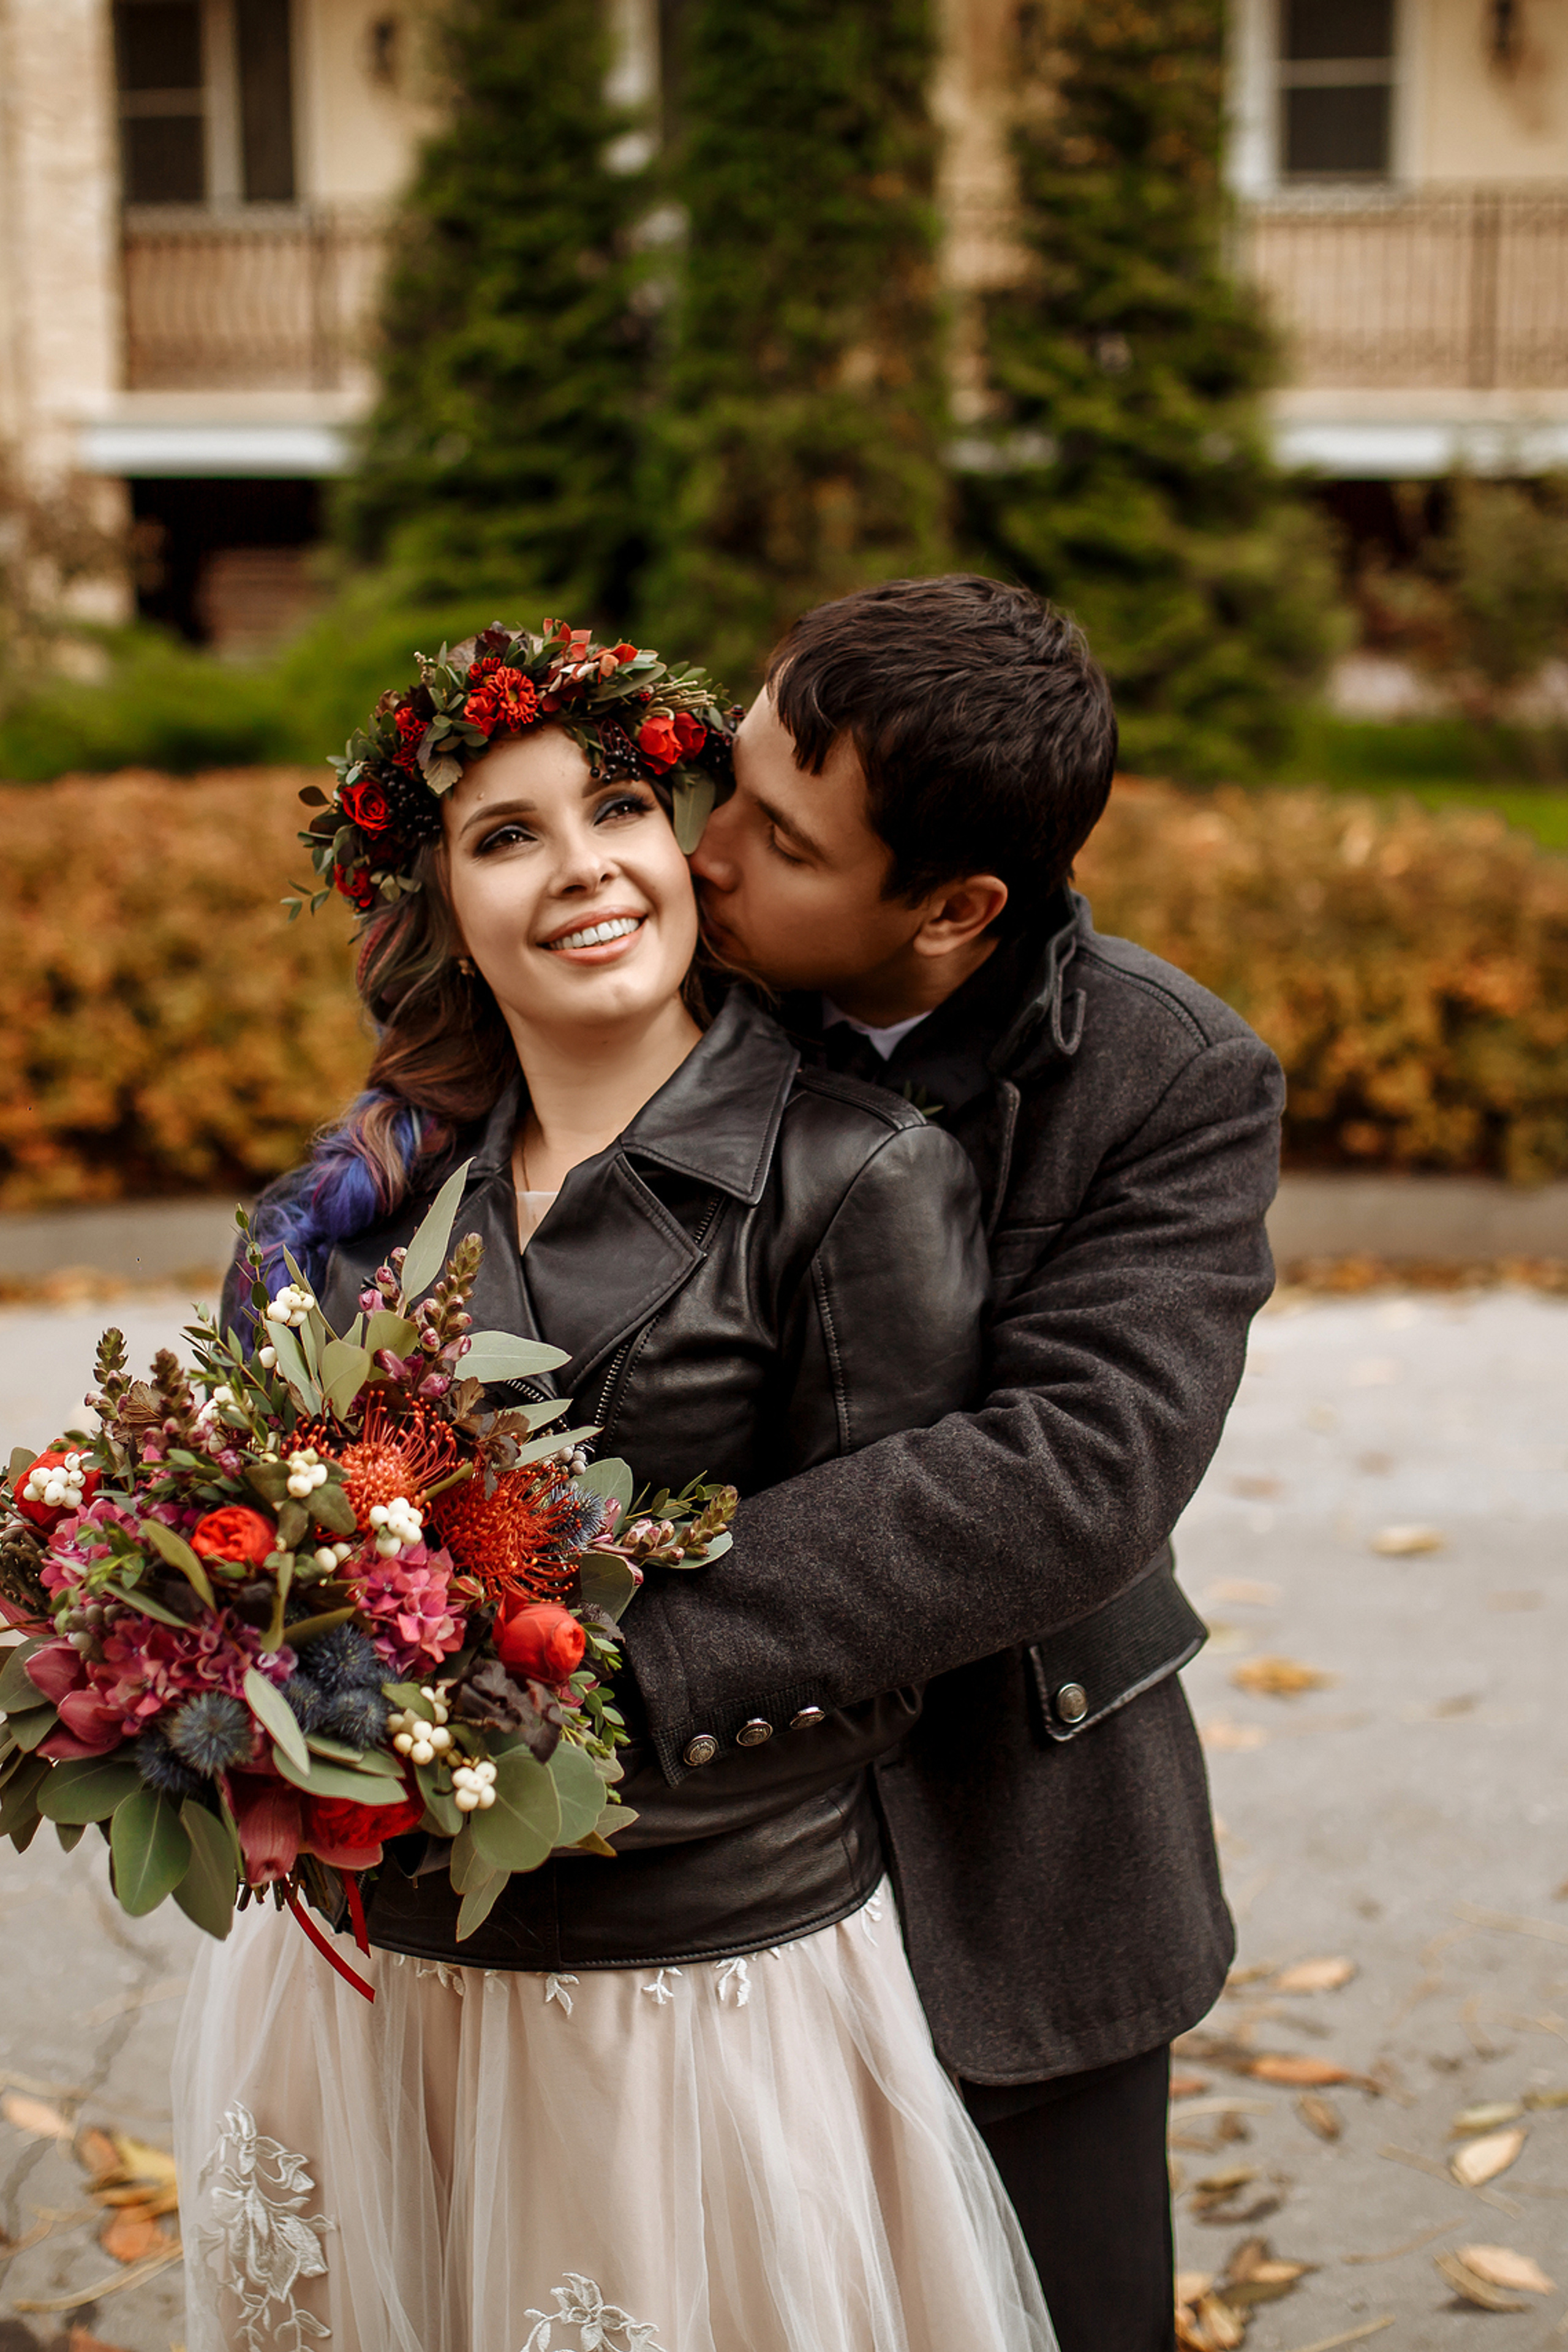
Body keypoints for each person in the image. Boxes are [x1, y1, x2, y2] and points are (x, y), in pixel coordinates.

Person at [173, 624, 1057, 2352]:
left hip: (688, 1982)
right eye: (505, 837)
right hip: (361, 1979)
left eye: (618, 809)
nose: (582, 869)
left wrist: (512, 1722)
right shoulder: (338, 1219)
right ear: (438, 908)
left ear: (682, 844)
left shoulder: (857, 1178)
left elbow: (890, 1619)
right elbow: (257, 1576)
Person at [621, 574, 1286, 2352]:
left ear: (954, 909)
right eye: (727, 784)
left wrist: (621, 1636)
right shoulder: (658, 989)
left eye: (781, 835)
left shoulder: (1169, 1075)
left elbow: (1080, 1474)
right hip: (680, 1866)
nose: (704, 858)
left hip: (1020, 1846)